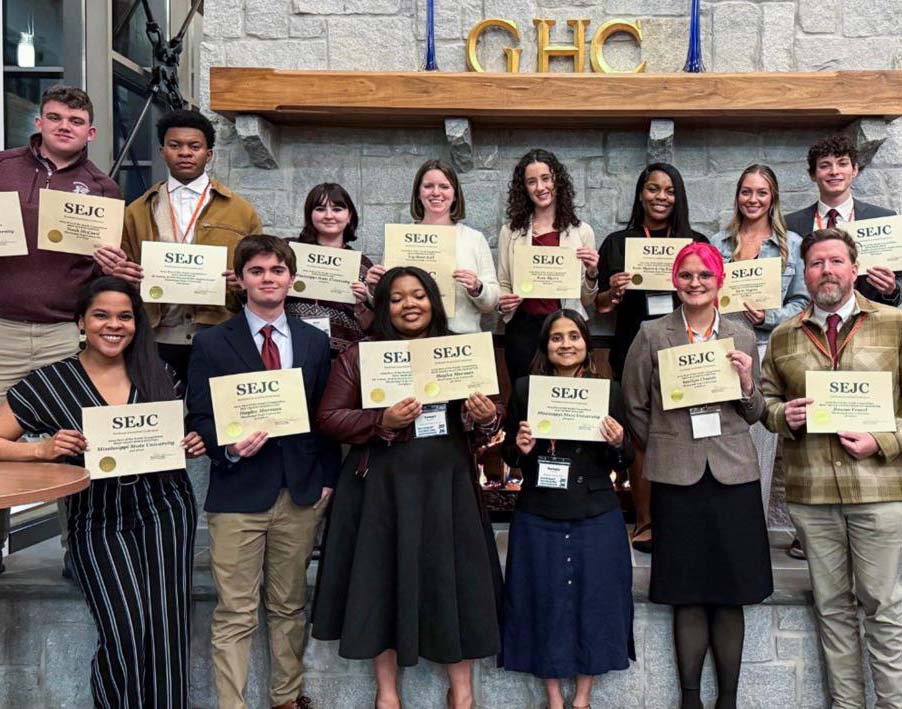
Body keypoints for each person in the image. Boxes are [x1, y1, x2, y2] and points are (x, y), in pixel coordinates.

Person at [0, 276, 204, 708]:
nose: (114, 325)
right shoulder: (50, 381)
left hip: (166, 509)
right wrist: (41, 450)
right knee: (124, 630)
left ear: (137, 324)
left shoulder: (160, 373)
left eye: (125, 316)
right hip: (97, 518)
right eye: (101, 315)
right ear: (80, 322)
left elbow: (177, 433)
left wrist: (191, 440)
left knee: (168, 629)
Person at [313, 266, 503, 709]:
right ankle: (387, 693)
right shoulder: (362, 355)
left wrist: (485, 417)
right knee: (381, 581)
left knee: (456, 583)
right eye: (396, 298)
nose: (408, 305)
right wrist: (381, 420)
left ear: (433, 301)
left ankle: (462, 692)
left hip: (447, 487)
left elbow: (491, 419)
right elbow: (328, 418)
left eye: (418, 295)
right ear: (383, 307)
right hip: (382, 489)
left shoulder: (459, 350)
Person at [186, 234, 339, 709]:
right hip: (238, 493)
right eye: (257, 271)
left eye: (277, 270)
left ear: (292, 279)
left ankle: (286, 699)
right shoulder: (211, 342)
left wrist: (327, 479)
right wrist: (227, 447)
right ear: (241, 280)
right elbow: (200, 416)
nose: (268, 279)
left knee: (289, 606)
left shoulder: (314, 341)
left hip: (299, 493)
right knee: (235, 611)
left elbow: (326, 416)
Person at [622, 242, 772, 709]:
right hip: (676, 475)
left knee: (730, 592)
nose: (695, 283)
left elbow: (755, 411)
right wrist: (667, 440)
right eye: (686, 275)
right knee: (686, 590)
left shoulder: (741, 335)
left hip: (733, 474)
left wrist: (746, 383)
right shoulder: (652, 334)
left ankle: (728, 700)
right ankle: (690, 700)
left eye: (704, 275)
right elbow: (634, 404)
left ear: (719, 281)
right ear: (675, 281)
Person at [760, 228, 902, 709]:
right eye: (817, 263)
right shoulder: (784, 335)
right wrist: (784, 415)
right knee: (832, 610)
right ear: (805, 272)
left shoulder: (894, 325)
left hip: (879, 491)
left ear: (854, 268)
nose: (827, 271)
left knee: (884, 609)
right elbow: (766, 403)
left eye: (836, 261)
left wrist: (882, 439)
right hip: (813, 496)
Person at [0, 84, 122, 577]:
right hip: (3, 329)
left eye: (75, 121)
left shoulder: (103, 189)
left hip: (61, 332)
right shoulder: (3, 169)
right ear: (39, 123)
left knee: (74, 442)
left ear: (90, 132)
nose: (64, 127)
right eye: (55, 118)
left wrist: (112, 265)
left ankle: (78, 550)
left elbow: (100, 276)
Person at [501, 309, 634, 709]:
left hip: (595, 510)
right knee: (542, 600)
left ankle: (582, 699)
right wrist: (520, 448)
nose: (566, 344)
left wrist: (618, 442)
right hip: (539, 509)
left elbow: (625, 460)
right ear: (545, 346)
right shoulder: (526, 389)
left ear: (586, 343)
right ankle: (554, 699)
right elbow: (509, 454)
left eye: (574, 336)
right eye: (557, 337)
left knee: (597, 601)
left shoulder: (608, 391)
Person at [595, 163, 707, 554]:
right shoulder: (617, 242)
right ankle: (644, 521)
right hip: (633, 347)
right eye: (653, 188)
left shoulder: (695, 242)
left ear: (679, 197)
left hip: (686, 349)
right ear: (641, 194)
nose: (661, 197)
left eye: (669, 190)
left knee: (687, 433)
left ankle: (683, 519)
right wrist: (613, 292)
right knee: (640, 435)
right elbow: (600, 306)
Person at [104, 109, 262, 384]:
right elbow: (121, 273)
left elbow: (260, 271)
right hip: (157, 333)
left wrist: (245, 283)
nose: (185, 153)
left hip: (220, 330)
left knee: (213, 407)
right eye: (175, 145)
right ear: (162, 151)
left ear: (209, 154)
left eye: (194, 146)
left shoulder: (241, 211)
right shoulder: (137, 211)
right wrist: (121, 275)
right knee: (161, 405)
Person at [709, 164, 809, 554]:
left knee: (759, 447)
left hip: (766, 354)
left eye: (761, 192)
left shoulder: (791, 245)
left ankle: (749, 533)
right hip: (719, 352)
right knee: (718, 440)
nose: (753, 199)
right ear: (738, 196)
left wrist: (768, 316)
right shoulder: (718, 242)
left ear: (773, 198)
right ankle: (717, 528)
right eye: (746, 191)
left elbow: (802, 304)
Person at [497, 149, 599, 388]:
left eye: (546, 179)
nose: (540, 187)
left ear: (557, 181)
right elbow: (504, 283)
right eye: (531, 181)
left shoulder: (582, 231)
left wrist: (592, 273)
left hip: (565, 328)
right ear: (524, 188)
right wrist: (504, 301)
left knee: (561, 398)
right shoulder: (510, 232)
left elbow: (587, 300)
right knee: (524, 394)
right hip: (523, 329)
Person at [365, 159, 500, 334]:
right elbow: (383, 303)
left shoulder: (474, 239)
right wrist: (373, 288)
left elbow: (491, 303)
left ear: (455, 194)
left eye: (444, 186)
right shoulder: (400, 238)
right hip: (409, 339)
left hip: (460, 339)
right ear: (418, 193)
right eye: (428, 186)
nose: (436, 192)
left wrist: (477, 288)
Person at [785, 134, 900, 306]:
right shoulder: (790, 225)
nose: (834, 171)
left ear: (854, 170)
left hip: (869, 317)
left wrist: (892, 289)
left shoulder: (884, 219)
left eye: (842, 163)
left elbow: (900, 281)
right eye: (825, 165)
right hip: (808, 317)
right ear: (812, 174)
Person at [286, 182, 374, 353]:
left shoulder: (363, 265)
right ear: (309, 214)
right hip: (293, 350)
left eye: (337, 209)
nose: (328, 215)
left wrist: (361, 304)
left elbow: (371, 327)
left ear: (349, 216)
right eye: (320, 209)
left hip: (344, 356)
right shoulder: (289, 251)